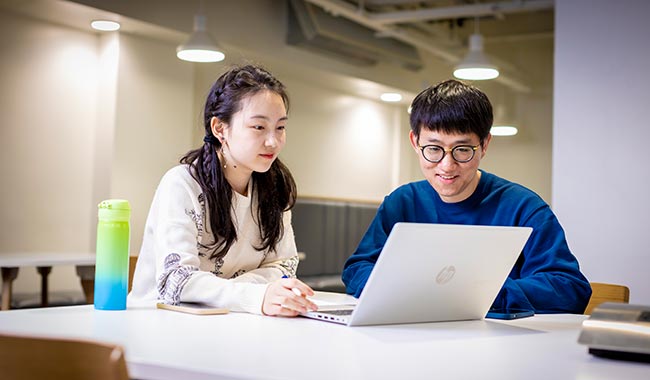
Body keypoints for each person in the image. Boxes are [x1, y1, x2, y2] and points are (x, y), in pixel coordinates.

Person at [342, 79, 591, 314]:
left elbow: (570, 288)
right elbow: (357, 269)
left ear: (484, 145)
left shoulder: (524, 208)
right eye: (433, 149)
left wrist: (481, 294)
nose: (447, 166)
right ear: (414, 141)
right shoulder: (402, 202)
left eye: (462, 150)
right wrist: (398, 288)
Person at [129, 64, 317, 316]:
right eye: (259, 127)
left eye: (280, 127)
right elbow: (178, 280)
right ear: (220, 128)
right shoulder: (181, 184)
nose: (273, 141)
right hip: (161, 322)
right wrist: (255, 294)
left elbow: (284, 265)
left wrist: (230, 292)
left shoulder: (274, 188)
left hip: (231, 321)